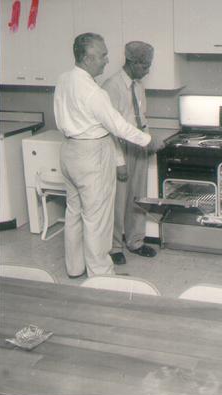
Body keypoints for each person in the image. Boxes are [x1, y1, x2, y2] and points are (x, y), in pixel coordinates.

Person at [54, 33, 151, 278]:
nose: (107, 61)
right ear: (87, 58)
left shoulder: (64, 80)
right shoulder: (93, 91)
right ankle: (102, 275)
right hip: (92, 153)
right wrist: (148, 140)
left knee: (74, 212)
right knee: (98, 218)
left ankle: (75, 268)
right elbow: (117, 125)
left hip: (69, 150)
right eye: (103, 55)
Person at [102, 41, 157, 266]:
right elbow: (109, 130)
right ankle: (114, 247)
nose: (148, 71)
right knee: (118, 200)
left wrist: (148, 141)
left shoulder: (138, 85)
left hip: (137, 144)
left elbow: (141, 117)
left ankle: (135, 241)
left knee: (138, 197)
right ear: (133, 63)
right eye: (145, 66)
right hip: (119, 146)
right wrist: (118, 162)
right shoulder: (110, 87)